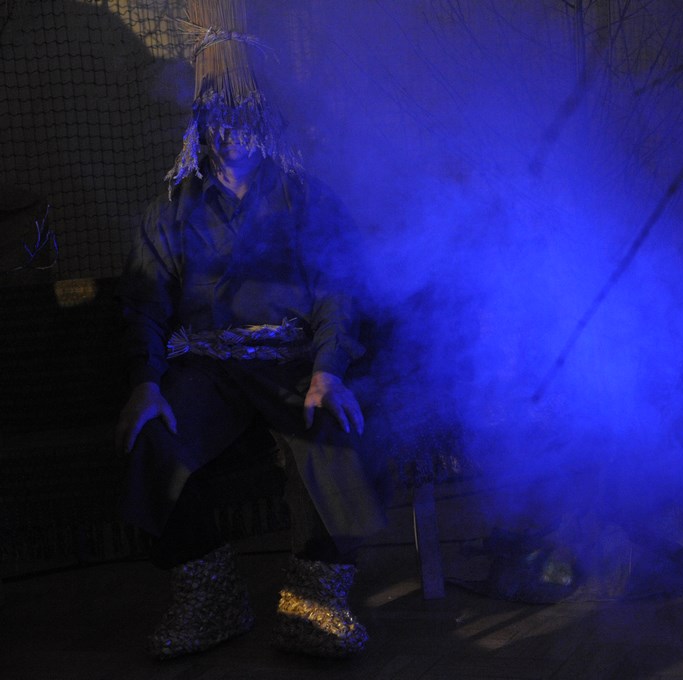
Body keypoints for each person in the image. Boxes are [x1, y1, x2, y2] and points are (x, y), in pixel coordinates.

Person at [114, 3, 386, 659]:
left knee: (336, 432)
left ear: (266, 118)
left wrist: (327, 370)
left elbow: (339, 291)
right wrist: (146, 382)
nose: (231, 131)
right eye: (218, 116)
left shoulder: (307, 199)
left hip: (292, 360)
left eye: (244, 115)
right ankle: (211, 600)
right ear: (200, 122)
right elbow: (145, 304)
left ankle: (313, 602)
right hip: (207, 368)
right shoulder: (171, 209)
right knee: (153, 439)